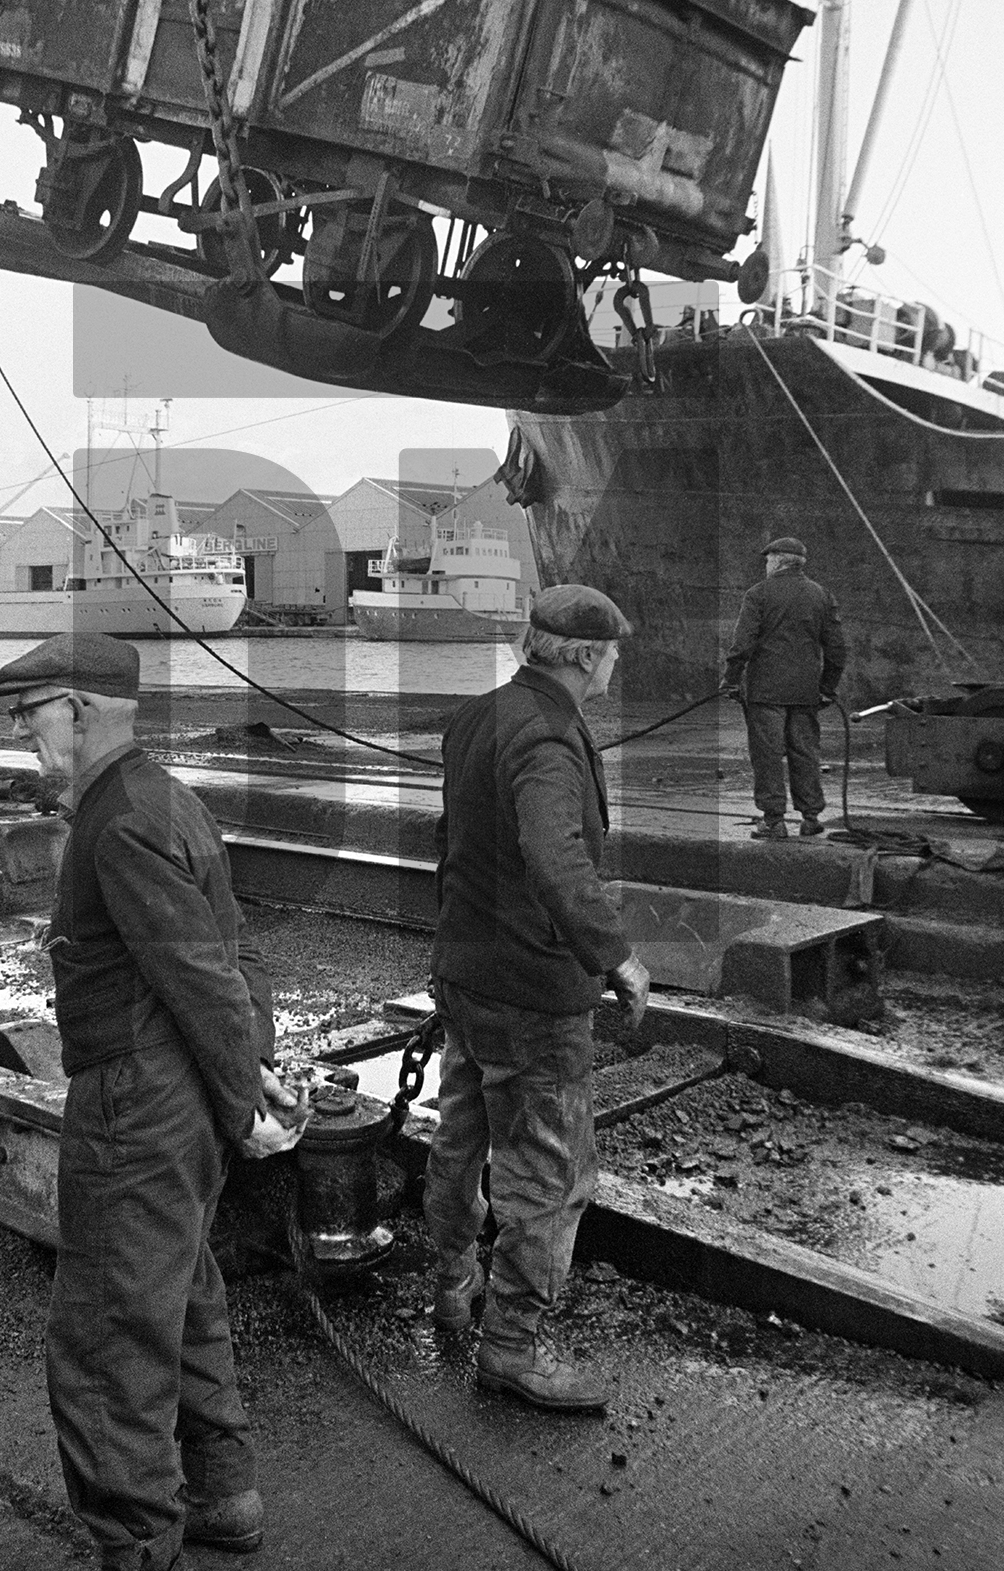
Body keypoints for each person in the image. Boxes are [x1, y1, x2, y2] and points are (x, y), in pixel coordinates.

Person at [0, 633, 307, 1570]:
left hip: (137, 1101)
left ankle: (136, 1547)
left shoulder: (116, 822)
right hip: (180, 1100)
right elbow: (234, 953)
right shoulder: (165, 798)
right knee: (182, 1290)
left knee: (106, 1332)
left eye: (30, 712)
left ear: (80, 712)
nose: (21, 732)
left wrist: (246, 1092)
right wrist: (252, 1070)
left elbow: (201, 975)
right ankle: (224, 1494)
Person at [423, 584, 651, 1413]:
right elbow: (556, 858)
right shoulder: (552, 738)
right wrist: (616, 956)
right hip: (531, 990)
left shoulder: (476, 717)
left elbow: (453, 844)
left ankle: (452, 1282)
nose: (616, 663)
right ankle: (511, 1349)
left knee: (462, 1134)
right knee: (551, 1171)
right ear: (586, 657)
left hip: (469, 974)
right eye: (613, 652)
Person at [723, 536, 847, 841]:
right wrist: (827, 687)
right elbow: (836, 649)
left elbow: (743, 644)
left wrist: (730, 678)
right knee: (805, 753)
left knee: (767, 756)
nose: (766, 565)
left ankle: (774, 821)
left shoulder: (758, 595)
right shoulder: (821, 595)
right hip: (806, 692)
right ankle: (811, 817)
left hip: (766, 693)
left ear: (777, 560)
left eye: (768, 560)